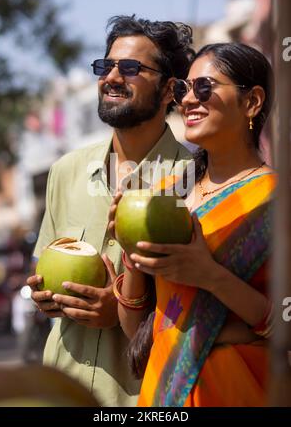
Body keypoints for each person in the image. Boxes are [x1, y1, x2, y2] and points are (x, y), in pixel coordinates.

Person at [26, 15, 194, 407]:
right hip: (61, 390)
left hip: (140, 399)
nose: (112, 77)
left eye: (132, 68)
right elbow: (43, 266)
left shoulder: (194, 181)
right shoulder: (66, 170)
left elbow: (203, 311)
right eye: (106, 66)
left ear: (169, 89)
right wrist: (42, 293)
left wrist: (120, 314)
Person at [110, 42, 276, 407]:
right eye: (184, 89)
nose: (187, 101)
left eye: (204, 88)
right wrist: (130, 248)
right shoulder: (165, 196)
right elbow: (135, 325)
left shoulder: (275, 201)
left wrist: (210, 275)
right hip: (162, 396)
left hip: (239, 391)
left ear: (252, 102)